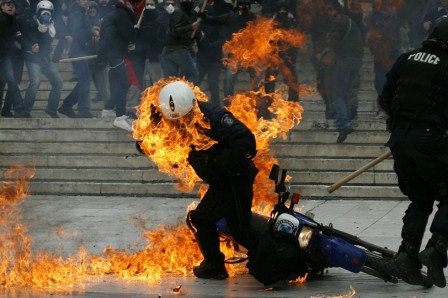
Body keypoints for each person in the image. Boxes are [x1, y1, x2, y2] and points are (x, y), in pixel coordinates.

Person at [150, 80, 259, 279]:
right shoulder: (176, 119)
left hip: (234, 180)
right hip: (222, 182)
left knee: (218, 223)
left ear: (192, 107)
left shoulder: (215, 117)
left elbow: (246, 141)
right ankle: (225, 264)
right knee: (231, 226)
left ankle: (223, 265)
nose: (180, 124)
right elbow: (159, 142)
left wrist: (217, 163)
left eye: (184, 118)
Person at [378, 16, 448, 288]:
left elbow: (385, 98)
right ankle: (437, 248)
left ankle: (408, 255)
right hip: (430, 139)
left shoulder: (406, 59)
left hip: (399, 139)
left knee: (420, 198)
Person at [97, 0, 138, 131]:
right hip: (115, 54)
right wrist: (135, 30)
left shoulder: (113, 14)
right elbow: (129, 34)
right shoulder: (122, 14)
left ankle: (108, 109)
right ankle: (120, 116)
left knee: (120, 83)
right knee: (121, 84)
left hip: (111, 54)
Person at [21, 0, 63, 118]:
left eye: (48, 13)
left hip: (44, 59)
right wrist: (31, 46)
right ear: (38, 12)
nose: (46, 15)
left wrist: (45, 54)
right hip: (32, 58)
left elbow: (48, 45)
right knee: (35, 82)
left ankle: (51, 109)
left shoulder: (50, 27)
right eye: (44, 13)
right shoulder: (30, 23)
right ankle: (26, 110)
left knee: (58, 82)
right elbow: (24, 39)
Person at [365, 0, 403, 120]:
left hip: (391, 55)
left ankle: (391, 108)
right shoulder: (372, 17)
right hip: (379, 56)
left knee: (390, 83)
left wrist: (379, 35)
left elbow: (392, 36)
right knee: (380, 83)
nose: (376, 4)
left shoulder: (392, 17)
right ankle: (382, 108)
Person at [58, 0, 95, 118]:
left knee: (84, 81)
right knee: (84, 81)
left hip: (81, 50)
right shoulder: (76, 12)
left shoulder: (82, 12)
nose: (86, 2)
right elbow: (77, 33)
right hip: (77, 51)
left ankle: (67, 105)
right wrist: (91, 32)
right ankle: (82, 110)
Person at [160, 0, 201, 85]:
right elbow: (175, 31)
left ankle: (174, 97)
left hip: (170, 50)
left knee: (172, 82)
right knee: (193, 76)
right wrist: (191, 27)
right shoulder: (178, 12)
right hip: (178, 49)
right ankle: (187, 97)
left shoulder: (181, 12)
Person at [0, 0, 26, 118]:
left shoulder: (15, 21)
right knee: (9, 80)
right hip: (3, 55)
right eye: (7, 5)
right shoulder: (2, 20)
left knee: (10, 80)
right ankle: (18, 108)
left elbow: (18, 38)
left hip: (5, 56)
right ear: (2, 7)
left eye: (12, 5)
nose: (10, 7)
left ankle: (15, 108)